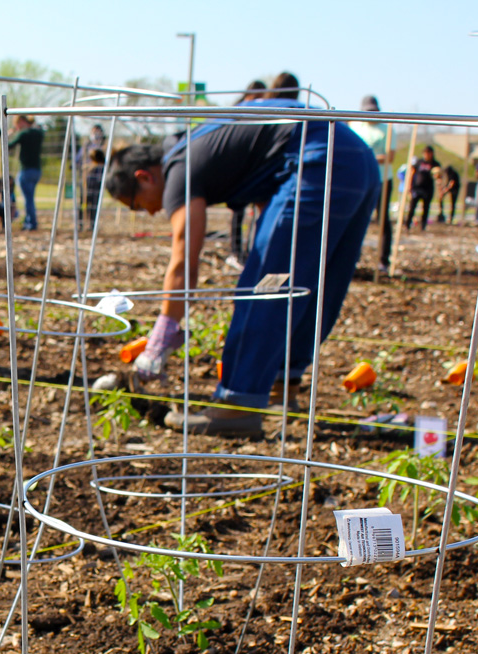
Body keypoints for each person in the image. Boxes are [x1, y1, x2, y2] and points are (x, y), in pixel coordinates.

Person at [104, 91, 380, 437]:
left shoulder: (178, 169)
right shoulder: (201, 143)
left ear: (145, 177)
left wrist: (163, 334)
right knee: (314, 281)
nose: (150, 212)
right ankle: (281, 384)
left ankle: (237, 406)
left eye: (137, 204)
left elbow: (184, 258)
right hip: (357, 160)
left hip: (317, 159)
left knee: (265, 288)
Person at [348, 94, 394, 272]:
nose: (370, 115)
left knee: (383, 219)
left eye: (373, 111)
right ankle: (353, 258)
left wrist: (365, 155)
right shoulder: (355, 127)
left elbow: (390, 157)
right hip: (358, 179)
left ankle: (383, 260)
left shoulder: (387, 129)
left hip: (382, 179)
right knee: (355, 218)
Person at [228, 80, 267, 266]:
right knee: (238, 211)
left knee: (257, 211)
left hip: (255, 168)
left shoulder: (261, 110)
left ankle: (252, 253)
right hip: (238, 169)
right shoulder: (238, 110)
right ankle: (236, 252)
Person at [8, 114, 44, 231]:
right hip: (37, 170)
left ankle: (31, 223)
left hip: (26, 170)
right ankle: (30, 221)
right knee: (30, 197)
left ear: (22, 122)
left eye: (17, 124)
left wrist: (10, 134)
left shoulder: (23, 134)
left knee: (28, 199)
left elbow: (9, 146)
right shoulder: (38, 133)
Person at [405, 145, 436, 232]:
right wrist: (409, 185)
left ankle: (423, 226)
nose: (426, 155)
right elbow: (412, 172)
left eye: (428, 153)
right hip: (417, 188)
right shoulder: (419, 162)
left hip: (428, 189)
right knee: (412, 207)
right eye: (425, 153)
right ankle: (407, 224)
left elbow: (438, 175)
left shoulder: (434, 164)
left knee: (425, 208)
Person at [85, 148, 105, 228]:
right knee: (85, 206)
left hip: (96, 190)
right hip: (88, 189)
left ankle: (92, 224)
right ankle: (82, 223)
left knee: (94, 207)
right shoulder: (90, 167)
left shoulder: (100, 168)